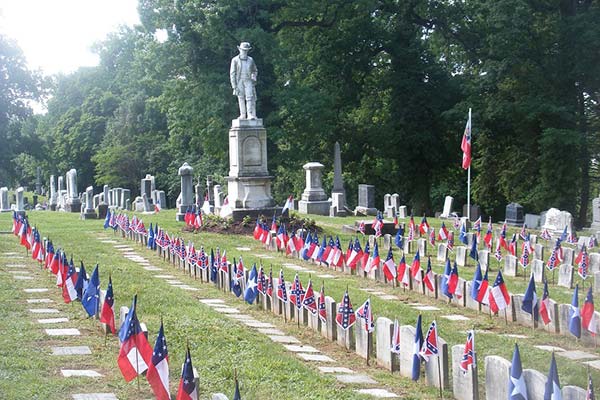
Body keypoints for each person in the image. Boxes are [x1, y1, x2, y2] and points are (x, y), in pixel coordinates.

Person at [230, 42, 258, 119]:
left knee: (249, 97)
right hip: (239, 80)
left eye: (246, 50)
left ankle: (250, 114)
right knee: (241, 97)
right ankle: (242, 114)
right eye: (243, 50)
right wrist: (234, 86)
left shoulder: (250, 60)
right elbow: (232, 73)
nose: (244, 51)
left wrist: (254, 76)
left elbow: (255, 70)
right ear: (239, 49)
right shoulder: (235, 60)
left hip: (248, 80)